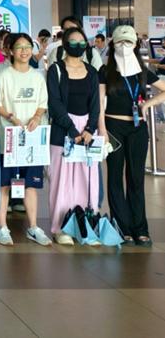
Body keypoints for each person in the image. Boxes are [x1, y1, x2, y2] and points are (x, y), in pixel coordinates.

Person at [100, 26, 165, 246]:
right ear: (113, 44)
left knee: (136, 178)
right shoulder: (105, 71)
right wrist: (102, 130)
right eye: (120, 42)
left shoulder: (143, 71)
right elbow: (99, 104)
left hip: (138, 128)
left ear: (136, 45)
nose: (124, 46)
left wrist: (147, 104)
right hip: (113, 127)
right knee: (115, 177)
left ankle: (140, 228)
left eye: (128, 42)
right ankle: (122, 228)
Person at [47, 28, 103, 245]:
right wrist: (72, 130)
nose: (78, 45)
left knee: (87, 179)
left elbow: (96, 103)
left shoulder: (91, 71)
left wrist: (90, 128)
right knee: (60, 180)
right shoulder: (55, 70)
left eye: (82, 42)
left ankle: (85, 226)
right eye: (73, 41)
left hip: (87, 131)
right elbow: (54, 102)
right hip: (63, 130)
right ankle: (60, 228)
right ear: (64, 44)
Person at [0, 33, 50, 246]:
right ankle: (2, 227)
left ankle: (33, 227)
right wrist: (11, 117)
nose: (25, 51)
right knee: (4, 185)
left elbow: (42, 103)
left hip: (32, 139)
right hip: (9, 138)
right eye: (19, 47)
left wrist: (36, 117)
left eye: (28, 46)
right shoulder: (3, 76)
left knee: (31, 185)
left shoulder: (37, 77)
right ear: (10, 50)